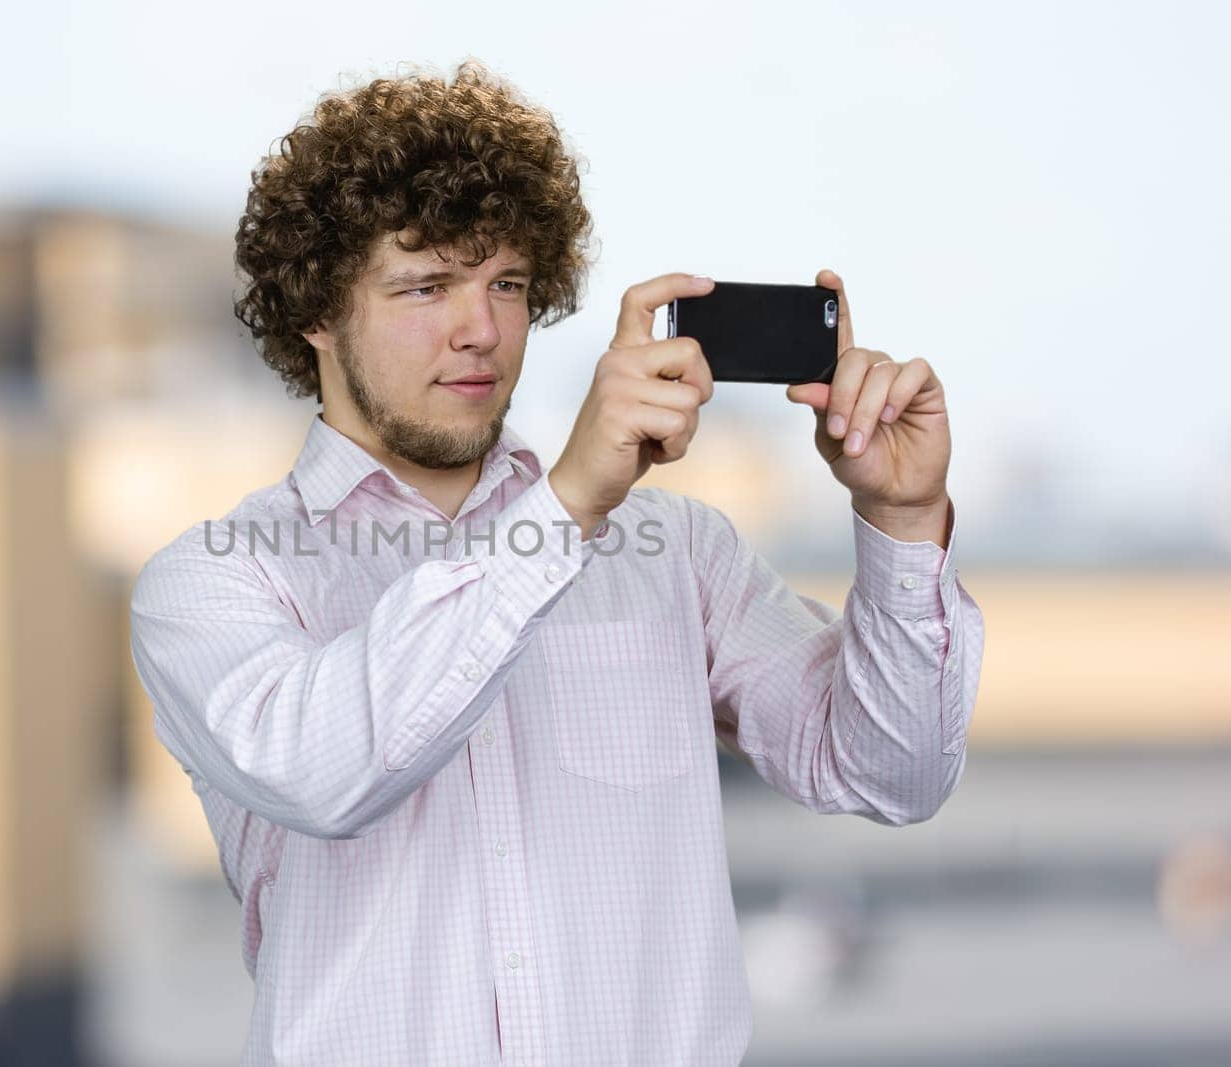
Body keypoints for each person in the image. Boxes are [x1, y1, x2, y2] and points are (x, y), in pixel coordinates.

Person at [129, 58, 984, 1067]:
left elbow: (894, 771)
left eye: (506, 282)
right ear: (315, 309)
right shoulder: (216, 579)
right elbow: (326, 770)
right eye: (425, 285)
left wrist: (901, 516)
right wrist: (566, 503)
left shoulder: (677, 554)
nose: (480, 328)